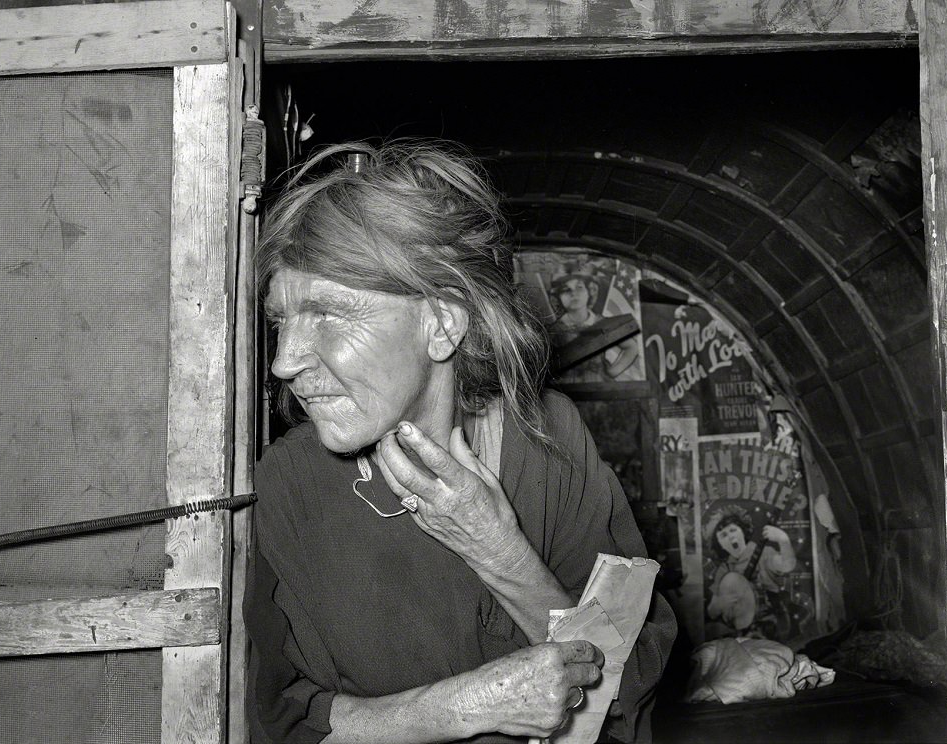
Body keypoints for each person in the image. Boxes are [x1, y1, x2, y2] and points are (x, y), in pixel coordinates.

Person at [244, 139, 677, 744]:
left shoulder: (549, 441)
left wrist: (500, 550)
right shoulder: (285, 483)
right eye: (280, 321)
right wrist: (461, 707)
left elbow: (630, 685)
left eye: (330, 315)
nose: (285, 362)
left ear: (442, 324)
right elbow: (281, 719)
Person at [705, 507, 797, 638]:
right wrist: (722, 601)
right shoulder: (724, 569)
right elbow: (712, 612)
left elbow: (787, 565)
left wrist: (783, 540)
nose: (730, 536)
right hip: (741, 631)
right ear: (720, 544)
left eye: (733, 530)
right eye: (723, 535)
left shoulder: (764, 553)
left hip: (771, 624)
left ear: (742, 531)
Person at [547, 272, 641, 382]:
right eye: (565, 289)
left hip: (598, 388)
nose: (573, 293)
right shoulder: (553, 329)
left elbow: (632, 347)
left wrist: (611, 373)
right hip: (565, 391)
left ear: (590, 292)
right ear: (558, 297)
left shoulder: (602, 323)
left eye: (579, 287)